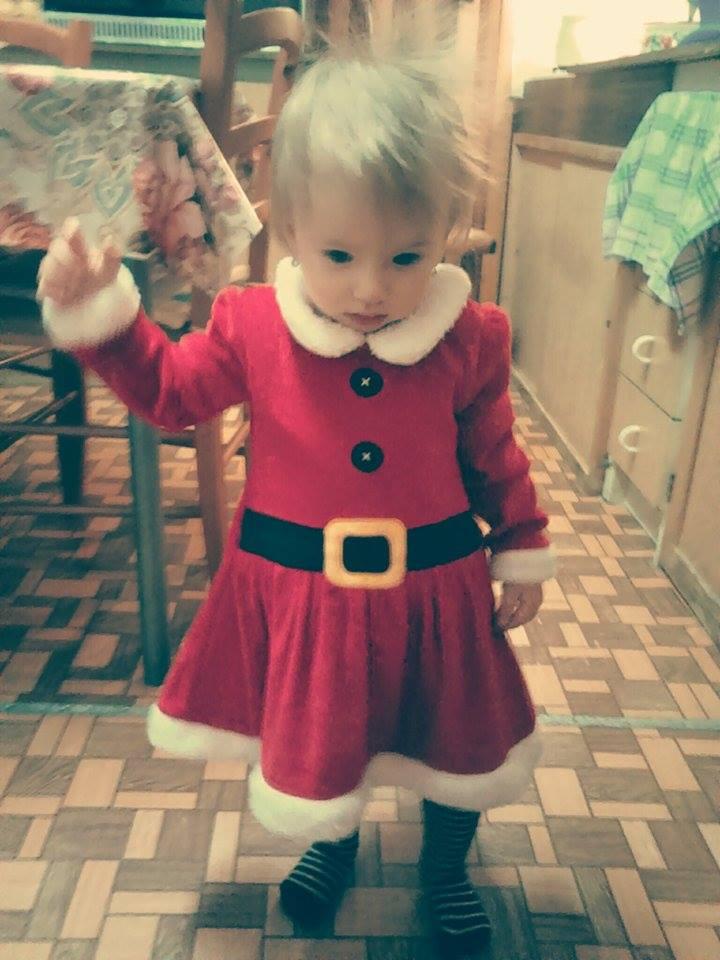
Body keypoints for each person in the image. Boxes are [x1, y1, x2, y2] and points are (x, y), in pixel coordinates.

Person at [37, 4, 555, 954]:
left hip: (436, 593)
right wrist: (107, 321)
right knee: (330, 737)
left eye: (406, 257)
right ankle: (331, 844)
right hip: (305, 597)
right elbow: (172, 393)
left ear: (448, 232)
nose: (370, 288)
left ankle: (446, 867)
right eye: (339, 256)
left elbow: (495, 455)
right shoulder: (253, 327)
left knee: (458, 737)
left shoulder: (468, 339)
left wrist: (519, 546)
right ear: (289, 230)